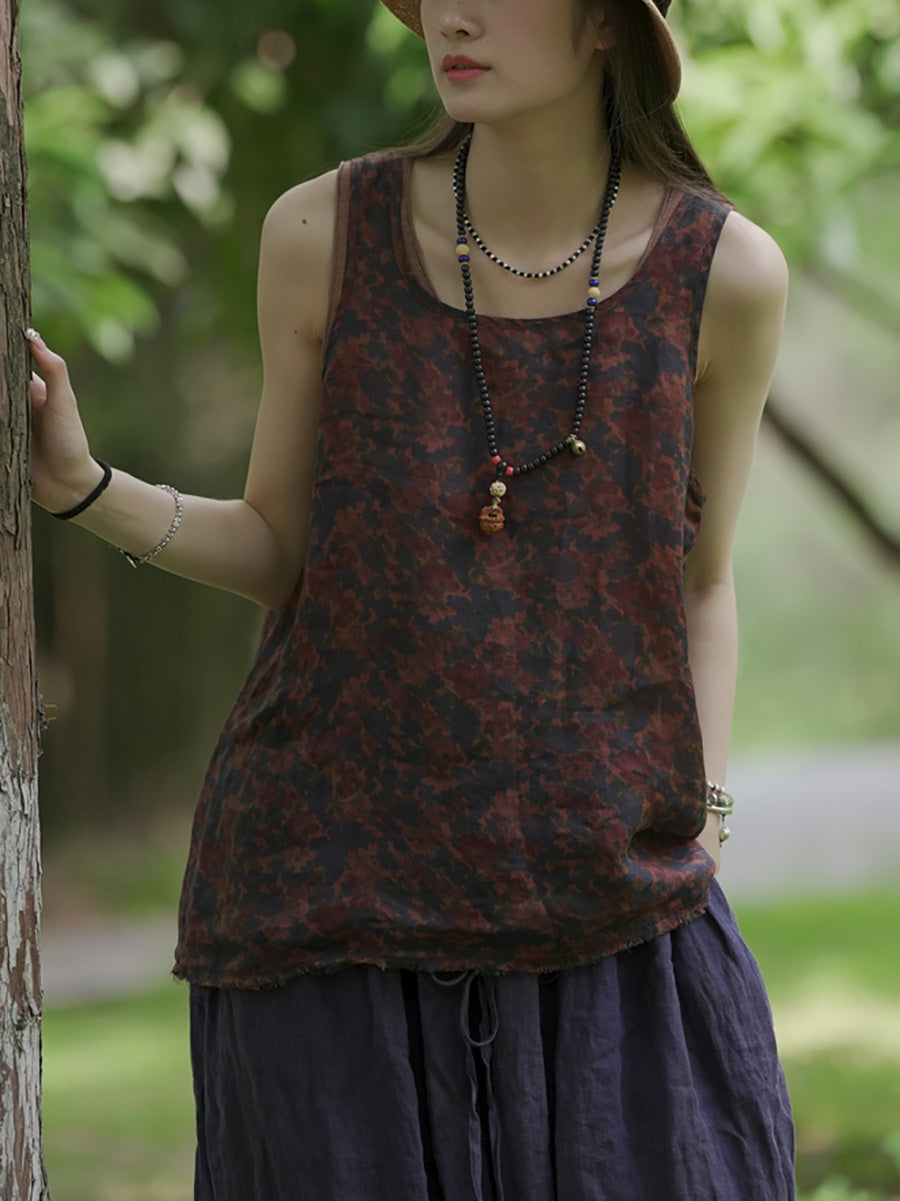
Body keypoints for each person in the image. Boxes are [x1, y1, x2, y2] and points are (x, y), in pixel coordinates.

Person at [27, 0, 796, 1196]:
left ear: (606, 23)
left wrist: (702, 824)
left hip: (612, 914)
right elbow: (281, 546)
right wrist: (85, 487)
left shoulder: (726, 274)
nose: (454, 14)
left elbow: (700, 581)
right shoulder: (322, 234)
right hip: (327, 917)